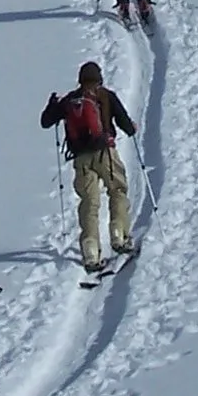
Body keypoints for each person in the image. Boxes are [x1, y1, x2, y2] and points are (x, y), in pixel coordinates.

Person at [41, 60, 139, 274]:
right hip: (105, 153)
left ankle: (91, 252)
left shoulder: (70, 100)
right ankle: (119, 235)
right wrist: (131, 127)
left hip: (81, 160)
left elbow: (46, 122)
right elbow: (127, 126)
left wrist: (51, 105)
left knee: (89, 202)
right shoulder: (106, 96)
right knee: (117, 189)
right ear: (100, 79)